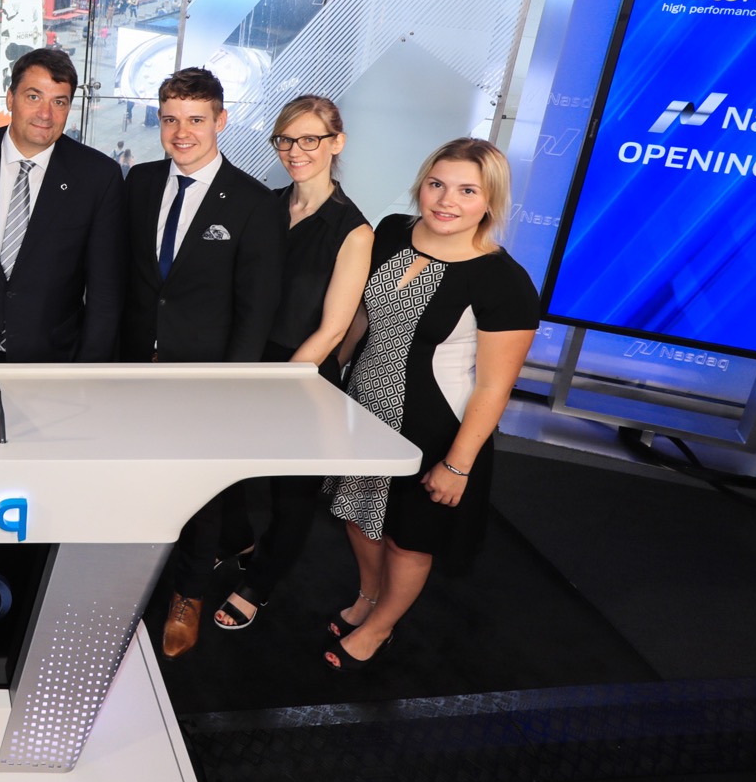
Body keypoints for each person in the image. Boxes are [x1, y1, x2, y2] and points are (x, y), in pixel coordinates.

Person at [323, 138, 538, 671]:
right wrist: (326, 383)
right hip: (363, 407)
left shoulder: (504, 281)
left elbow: (494, 387)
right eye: (437, 184)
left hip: (434, 431)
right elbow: (360, 319)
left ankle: (380, 627)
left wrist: (458, 464)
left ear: (490, 201)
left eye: (467, 191)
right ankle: (369, 595)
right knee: (358, 514)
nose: (446, 200)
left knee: (408, 540)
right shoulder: (391, 231)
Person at [119, 66, 284, 658]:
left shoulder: (254, 203)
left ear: (221, 120)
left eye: (195, 119)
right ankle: (126, 579)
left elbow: (256, 310)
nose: (181, 132)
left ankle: (187, 594)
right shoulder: (139, 182)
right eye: (170, 119)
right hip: (134, 367)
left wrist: (229, 385)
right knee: (134, 477)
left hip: (206, 375)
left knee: (201, 493)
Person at [211, 95, 374, 633]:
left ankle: (259, 583)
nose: (295, 151)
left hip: (301, 374)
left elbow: (333, 329)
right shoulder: (264, 205)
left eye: (309, 139)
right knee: (226, 467)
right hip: (246, 357)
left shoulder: (352, 230)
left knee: (291, 493)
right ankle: (238, 539)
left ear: (337, 143)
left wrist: (277, 382)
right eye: (285, 139)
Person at [0, 48, 124, 364]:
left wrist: (87, 370)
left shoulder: (98, 176)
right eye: (34, 97)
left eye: (59, 102)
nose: (46, 114)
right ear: (10, 98)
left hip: (53, 359)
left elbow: (105, 290)